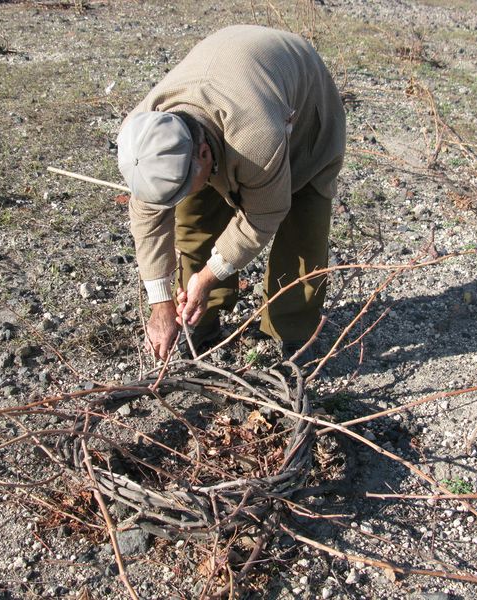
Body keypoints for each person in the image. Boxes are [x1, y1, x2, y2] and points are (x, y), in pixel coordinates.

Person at [117, 24, 346, 362]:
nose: (172, 200)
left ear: (204, 155)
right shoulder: (146, 138)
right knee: (194, 219)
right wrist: (161, 305)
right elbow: (149, 221)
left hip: (304, 108)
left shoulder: (257, 141)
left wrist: (210, 274)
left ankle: (293, 334)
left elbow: (264, 216)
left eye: (179, 188)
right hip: (229, 73)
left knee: (302, 234)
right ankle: (202, 321)